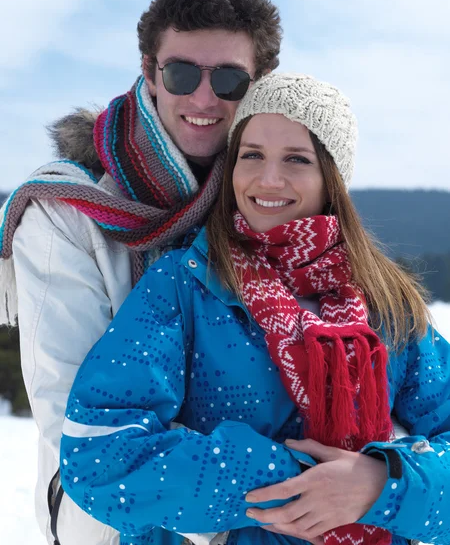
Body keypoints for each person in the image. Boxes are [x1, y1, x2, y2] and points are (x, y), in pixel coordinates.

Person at [59, 73, 450, 545]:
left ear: (332, 179)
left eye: (297, 159)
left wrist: (379, 484)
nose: (268, 179)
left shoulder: (387, 303)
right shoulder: (186, 285)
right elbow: (97, 455)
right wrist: (296, 482)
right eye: (251, 155)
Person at [0, 0, 282, 545]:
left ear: (259, 86)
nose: (204, 99)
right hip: (111, 510)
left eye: (228, 79)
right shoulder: (66, 210)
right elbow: (75, 420)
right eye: (181, 73)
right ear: (151, 73)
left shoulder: (268, 201)